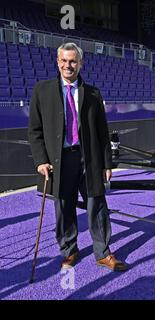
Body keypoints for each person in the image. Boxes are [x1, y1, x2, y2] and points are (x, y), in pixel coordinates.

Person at [28, 42, 128, 272]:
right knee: (64, 208)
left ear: (81, 63)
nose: (68, 65)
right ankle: (69, 250)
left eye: (73, 61)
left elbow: (103, 131)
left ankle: (103, 253)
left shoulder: (92, 93)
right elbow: (34, 131)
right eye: (63, 60)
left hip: (89, 159)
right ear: (57, 62)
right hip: (59, 161)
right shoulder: (41, 91)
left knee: (97, 206)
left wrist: (106, 163)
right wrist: (41, 160)